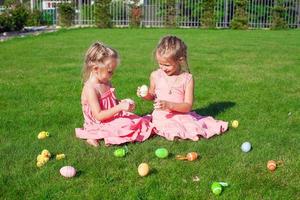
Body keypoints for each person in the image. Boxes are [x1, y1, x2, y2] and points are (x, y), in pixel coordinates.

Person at [137, 36, 228, 141]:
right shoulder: (155, 75)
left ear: (180, 60)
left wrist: (169, 104)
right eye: (160, 64)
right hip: (162, 115)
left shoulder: (187, 79)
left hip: (182, 114)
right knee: (171, 127)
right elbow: (152, 96)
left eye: (167, 65)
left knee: (191, 127)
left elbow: (188, 106)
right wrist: (145, 94)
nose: (162, 68)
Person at [76, 42, 153, 146]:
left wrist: (123, 103)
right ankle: (92, 134)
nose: (112, 74)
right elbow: (98, 115)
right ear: (95, 69)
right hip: (98, 122)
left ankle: (101, 135)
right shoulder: (90, 88)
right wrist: (119, 107)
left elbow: (111, 103)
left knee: (136, 121)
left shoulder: (106, 82)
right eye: (110, 71)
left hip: (111, 117)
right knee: (128, 125)